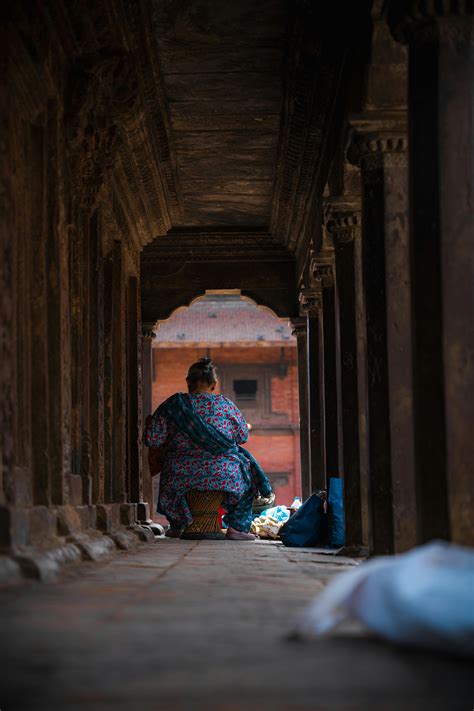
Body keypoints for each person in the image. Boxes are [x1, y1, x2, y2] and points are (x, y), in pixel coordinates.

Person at [143, 357, 273, 540]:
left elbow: (153, 439)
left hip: (180, 475)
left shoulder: (173, 405)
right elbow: (242, 437)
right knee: (248, 476)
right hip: (225, 475)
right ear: (214, 384)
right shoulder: (226, 405)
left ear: (188, 382)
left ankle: (177, 524)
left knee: (168, 465)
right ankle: (236, 528)